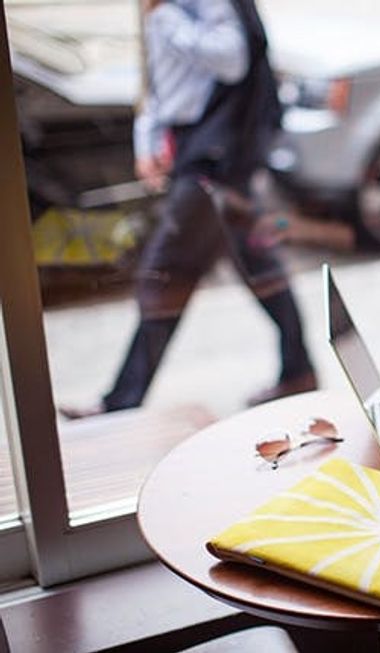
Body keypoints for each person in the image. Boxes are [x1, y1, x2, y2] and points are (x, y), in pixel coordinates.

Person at [62, 0, 316, 418]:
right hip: (198, 151)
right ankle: (299, 371)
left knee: (165, 271)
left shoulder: (173, 10)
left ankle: (122, 401)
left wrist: (165, 16)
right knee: (258, 264)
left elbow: (232, 59)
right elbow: (159, 79)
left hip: (215, 160)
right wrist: (148, 142)